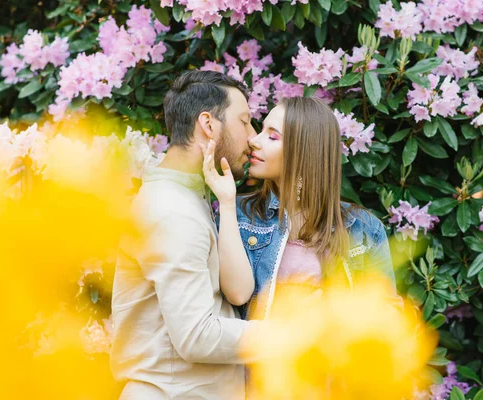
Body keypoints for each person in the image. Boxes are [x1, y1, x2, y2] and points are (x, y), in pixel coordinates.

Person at [110, 70, 258, 400]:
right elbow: (196, 335)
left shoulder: (183, 196)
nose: (252, 136)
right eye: (245, 121)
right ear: (208, 124)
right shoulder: (172, 210)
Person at [202, 96, 396, 321]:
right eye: (261, 130)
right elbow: (236, 294)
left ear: (305, 151)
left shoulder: (363, 229)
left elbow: (387, 316)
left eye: (273, 136)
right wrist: (226, 203)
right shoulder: (241, 215)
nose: (254, 140)